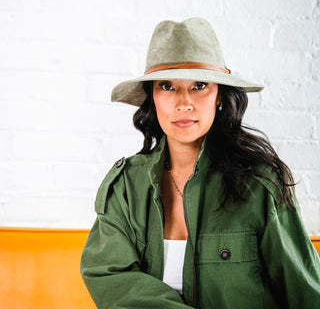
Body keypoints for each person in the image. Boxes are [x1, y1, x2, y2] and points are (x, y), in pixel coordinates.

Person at [80, 18, 320, 308]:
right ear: (152, 97)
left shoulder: (260, 186)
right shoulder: (127, 186)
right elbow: (107, 274)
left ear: (219, 95)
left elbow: (306, 292)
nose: (184, 103)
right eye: (167, 86)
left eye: (199, 85)